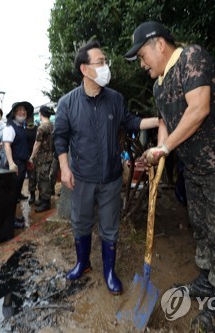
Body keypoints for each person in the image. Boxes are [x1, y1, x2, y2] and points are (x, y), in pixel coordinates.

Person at [125, 21, 215, 331]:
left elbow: (199, 109)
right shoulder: (158, 85)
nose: (142, 65)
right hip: (194, 168)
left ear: (159, 44)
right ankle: (208, 280)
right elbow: (166, 122)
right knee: (202, 227)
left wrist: (166, 148)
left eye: (142, 56)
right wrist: (159, 151)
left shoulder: (191, 58)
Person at [53, 40, 159, 295]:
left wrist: (158, 120)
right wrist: (65, 169)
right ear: (85, 69)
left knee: (110, 226)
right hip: (82, 178)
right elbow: (60, 138)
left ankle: (109, 272)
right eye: (100, 62)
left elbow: (131, 121)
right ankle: (83, 263)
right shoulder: (67, 103)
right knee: (81, 222)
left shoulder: (115, 99)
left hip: (111, 178)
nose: (106, 67)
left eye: (105, 62)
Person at [3, 101, 33, 228]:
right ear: (14, 113)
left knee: (15, 193)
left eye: (24, 110)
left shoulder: (21, 127)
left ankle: (13, 218)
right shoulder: (10, 127)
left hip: (22, 163)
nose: (23, 112)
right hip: (15, 164)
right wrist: (11, 163)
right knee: (11, 194)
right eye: (20, 110)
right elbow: (7, 145)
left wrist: (28, 160)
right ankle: (9, 221)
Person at [29, 105, 55, 213]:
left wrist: (31, 157)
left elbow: (37, 144)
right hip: (51, 155)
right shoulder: (52, 125)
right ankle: (44, 199)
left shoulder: (41, 127)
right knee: (47, 177)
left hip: (42, 157)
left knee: (43, 179)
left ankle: (45, 202)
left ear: (40, 113)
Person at [25, 118, 38, 204]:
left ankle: (41, 197)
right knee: (32, 177)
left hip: (39, 155)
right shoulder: (24, 130)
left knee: (40, 177)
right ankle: (32, 195)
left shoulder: (38, 129)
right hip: (29, 156)